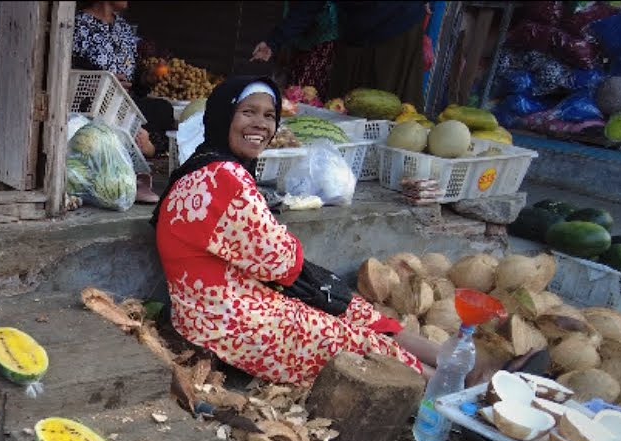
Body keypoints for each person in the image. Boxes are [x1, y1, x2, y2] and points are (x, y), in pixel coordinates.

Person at [151, 77, 442, 386]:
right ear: (225, 114)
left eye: (269, 115)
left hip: (219, 306)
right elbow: (283, 263)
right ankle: (439, 385)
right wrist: (284, 238)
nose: (260, 124)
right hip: (224, 324)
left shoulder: (203, 165)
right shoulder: (225, 178)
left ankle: (448, 362)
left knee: (343, 304)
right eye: (248, 112)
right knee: (348, 341)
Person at [72, 0, 175, 203]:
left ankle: (144, 147)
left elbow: (135, 82)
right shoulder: (79, 25)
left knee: (163, 109)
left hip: (125, 103)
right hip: (93, 103)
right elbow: (69, 68)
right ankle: (135, 163)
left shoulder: (124, 29)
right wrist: (103, 78)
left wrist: (147, 78)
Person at [251, 1, 426, 109]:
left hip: (398, 25)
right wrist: (274, 42)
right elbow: (308, 6)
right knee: (348, 102)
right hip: (355, 30)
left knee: (389, 103)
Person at [251, 1, 339, 100]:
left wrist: (273, 41)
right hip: (295, 34)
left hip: (319, 36)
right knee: (289, 90)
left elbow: (305, 11)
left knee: (306, 93)